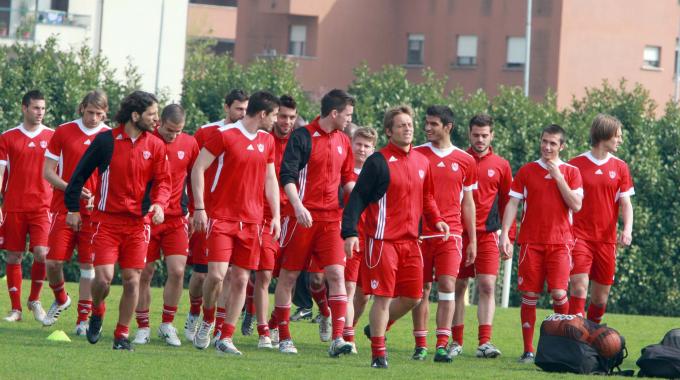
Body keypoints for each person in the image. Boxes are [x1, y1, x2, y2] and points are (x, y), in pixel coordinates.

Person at [342, 105, 450, 369]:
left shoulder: (422, 161)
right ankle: (379, 353)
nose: (408, 128)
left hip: (412, 242)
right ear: (389, 131)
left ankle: (376, 328)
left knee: (414, 297)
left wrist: (437, 219)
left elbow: (427, 197)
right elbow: (357, 198)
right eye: (401, 125)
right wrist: (350, 233)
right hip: (382, 242)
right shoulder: (377, 161)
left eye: (410, 124)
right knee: (382, 297)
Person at [64, 90, 171, 350]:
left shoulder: (156, 145)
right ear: (135, 116)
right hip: (106, 222)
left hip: (138, 225)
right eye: (152, 114)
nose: (156, 120)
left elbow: (164, 183)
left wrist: (159, 204)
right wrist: (72, 208)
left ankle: (121, 335)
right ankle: (97, 311)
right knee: (103, 279)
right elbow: (77, 177)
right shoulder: (105, 142)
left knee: (133, 278)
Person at [190, 91, 281, 355]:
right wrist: (199, 207)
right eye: (274, 115)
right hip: (220, 218)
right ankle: (208, 319)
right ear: (263, 114)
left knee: (241, 279)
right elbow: (198, 168)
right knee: (216, 276)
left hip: (252, 222)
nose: (275, 120)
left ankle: (225, 337)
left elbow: (270, 179)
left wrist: (274, 215)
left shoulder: (267, 140)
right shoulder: (225, 135)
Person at [272, 89, 356, 356]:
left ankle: (338, 338)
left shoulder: (344, 140)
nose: (349, 120)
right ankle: (284, 336)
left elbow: (348, 181)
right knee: (289, 276)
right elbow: (287, 175)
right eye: (348, 115)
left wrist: (365, 196)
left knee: (336, 275)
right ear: (334, 113)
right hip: (302, 219)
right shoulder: (302, 136)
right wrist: (297, 207)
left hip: (332, 220)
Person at [499, 124, 583, 364]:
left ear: (562, 146)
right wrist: (505, 234)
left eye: (553, 143)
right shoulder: (526, 171)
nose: (547, 146)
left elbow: (576, 205)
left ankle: (564, 346)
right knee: (529, 294)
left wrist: (558, 178)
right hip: (530, 242)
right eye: (544, 141)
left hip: (560, 243)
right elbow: (513, 204)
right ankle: (528, 350)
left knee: (559, 292)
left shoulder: (571, 172)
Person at [411, 105, 477, 363]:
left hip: (452, 234)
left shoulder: (465, 160)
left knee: (448, 285)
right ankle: (420, 344)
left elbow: (468, 202)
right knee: (422, 289)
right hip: (419, 234)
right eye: (426, 123)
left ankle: (442, 344)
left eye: (433, 124)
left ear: (448, 127)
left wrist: (472, 239)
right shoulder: (416, 154)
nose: (427, 127)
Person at [41, 91, 110, 334]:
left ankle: (83, 320)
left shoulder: (109, 137)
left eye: (99, 114)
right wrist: (73, 189)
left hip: (95, 214)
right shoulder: (63, 131)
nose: (93, 118)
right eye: (90, 112)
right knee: (53, 262)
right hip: (63, 208)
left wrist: (99, 199)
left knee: (87, 268)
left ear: (106, 114)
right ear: (82, 108)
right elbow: (48, 172)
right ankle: (61, 298)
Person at [185, 89, 248, 341]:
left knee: (231, 275)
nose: (242, 114)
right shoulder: (207, 132)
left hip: (236, 217)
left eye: (246, 110)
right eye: (238, 109)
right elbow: (192, 171)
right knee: (202, 275)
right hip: (207, 214)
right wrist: (194, 209)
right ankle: (193, 313)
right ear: (226, 108)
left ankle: (217, 325)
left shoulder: (252, 136)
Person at [132, 104, 199, 347]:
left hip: (176, 218)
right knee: (145, 272)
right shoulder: (146, 141)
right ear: (160, 123)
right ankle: (142, 326)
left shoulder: (190, 144)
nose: (173, 135)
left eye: (178, 131)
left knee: (178, 270)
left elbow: (194, 179)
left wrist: (194, 211)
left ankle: (167, 324)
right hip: (148, 217)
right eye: (170, 130)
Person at [450, 114, 515, 359]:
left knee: (487, 286)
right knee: (458, 286)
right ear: (469, 134)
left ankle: (484, 342)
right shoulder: (459, 159)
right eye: (476, 135)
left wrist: (507, 235)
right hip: (459, 233)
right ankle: (455, 341)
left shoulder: (501, 164)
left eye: (484, 135)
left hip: (487, 235)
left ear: (492, 136)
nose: (480, 139)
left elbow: (509, 202)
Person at [241, 95, 298, 348]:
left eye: (290, 117)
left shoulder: (300, 141)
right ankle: (261, 328)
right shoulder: (263, 138)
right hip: (257, 215)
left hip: (289, 217)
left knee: (287, 275)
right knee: (258, 274)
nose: (285, 121)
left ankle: (272, 321)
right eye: (281, 116)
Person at [568, 114, 634, 323]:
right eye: (617, 136)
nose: (620, 140)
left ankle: (592, 337)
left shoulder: (620, 167)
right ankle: (575, 335)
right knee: (579, 285)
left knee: (600, 297)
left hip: (606, 241)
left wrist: (627, 230)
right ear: (604, 135)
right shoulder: (575, 164)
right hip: (579, 237)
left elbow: (626, 204)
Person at [0, 90, 54, 323]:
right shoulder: (8, 137)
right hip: (14, 206)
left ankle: (35, 300)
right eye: (35, 108)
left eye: (42, 108)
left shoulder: (53, 136)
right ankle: (16, 309)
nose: (40, 112)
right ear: (24, 108)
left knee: (42, 253)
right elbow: (1, 171)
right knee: (14, 256)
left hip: (43, 206)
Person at [342, 126, 378, 354]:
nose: (362, 149)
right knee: (347, 288)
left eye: (367, 146)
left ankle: (348, 327)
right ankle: (346, 335)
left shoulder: (377, 173)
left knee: (364, 295)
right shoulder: (342, 172)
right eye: (359, 144)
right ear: (351, 143)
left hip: (373, 240)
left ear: (373, 149)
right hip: (350, 237)